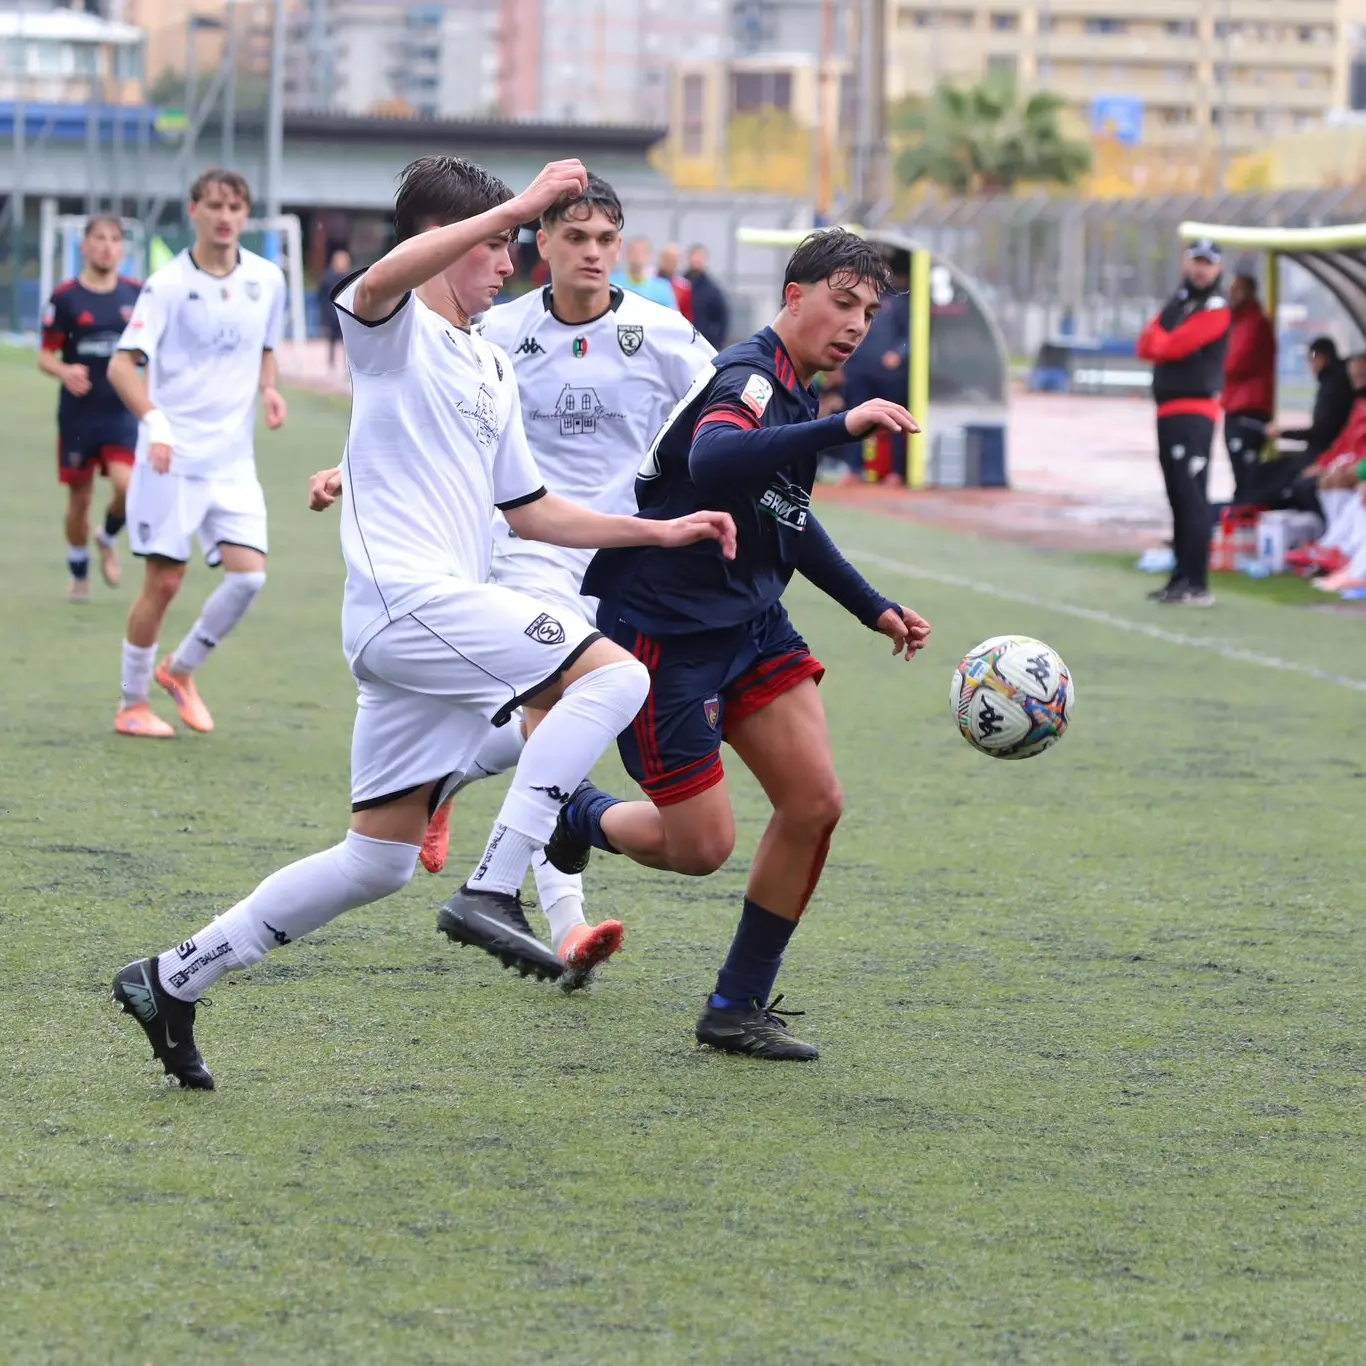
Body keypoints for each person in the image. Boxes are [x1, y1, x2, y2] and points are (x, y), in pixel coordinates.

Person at [109, 155, 736, 1090]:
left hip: (429, 624)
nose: (510, 263)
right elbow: (379, 279)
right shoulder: (391, 325)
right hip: (410, 605)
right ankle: (494, 886)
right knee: (615, 676)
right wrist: (521, 203)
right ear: (446, 244)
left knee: (376, 862)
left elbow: (530, 509)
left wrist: (660, 528)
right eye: (499, 244)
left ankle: (170, 978)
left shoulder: (487, 357)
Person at [547, 229, 932, 1063]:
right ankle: (578, 813)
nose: (857, 323)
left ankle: (736, 1005)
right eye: (842, 300)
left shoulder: (798, 390)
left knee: (816, 802)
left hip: (751, 626)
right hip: (664, 638)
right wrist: (841, 430)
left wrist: (874, 607)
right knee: (701, 850)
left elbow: (787, 519)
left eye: (868, 311)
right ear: (794, 294)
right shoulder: (750, 378)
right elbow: (718, 456)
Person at [106, 168, 289, 739]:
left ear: (245, 214)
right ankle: (132, 703)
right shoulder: (165, 285)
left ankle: (179, 672)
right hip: (171, 459)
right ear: (194, 211)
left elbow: (266, 348)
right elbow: (120, 365)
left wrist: (269, 389)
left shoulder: (268, 279)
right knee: (164, 583)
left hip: (232, 463)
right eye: (213, 205)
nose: (225, 215)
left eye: (235, 206)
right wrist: (156, 424)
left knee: (249, 578)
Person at [39, 215, 142, 602]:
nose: (107, 246)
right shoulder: (66, 297)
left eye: (115, 239)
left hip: (121, 411)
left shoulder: (137, 294)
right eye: (99, 238)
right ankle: (78, 568)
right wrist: (65, 370)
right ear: (84, 246)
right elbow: (44, 357)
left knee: (127, 487)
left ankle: (108, 536)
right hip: (79, 415)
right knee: (79, 501)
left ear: (122, 248)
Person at [1136, 238, 1231, 607]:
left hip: (1195, 414)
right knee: (1177, 496)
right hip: (1168, 412)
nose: (1200, 269)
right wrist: (1163, 339)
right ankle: (1180, 578)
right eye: (1196, 261)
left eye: (1208, 262)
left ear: (1218, 267)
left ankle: (1197, 582)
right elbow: (1146, 345)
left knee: (1192, 497)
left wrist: (1163, 339)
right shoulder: (1179, 302)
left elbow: (1171, 346)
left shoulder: (1216, 307)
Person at [1246, 336, 1357, 512]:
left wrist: (1283, 433)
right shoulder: (1337, 386)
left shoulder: (1335, 388)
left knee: (1278, 480)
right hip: (1328, 453)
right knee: (1271, 471)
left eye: (1311, 357)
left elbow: (1325, 432)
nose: (1309, 364)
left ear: (1322, 358)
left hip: (1326, 452)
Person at [1222, 272, 1276, 504]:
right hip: (1238, 404)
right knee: (1241, 472)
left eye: (1238, 289)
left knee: (1246, 471)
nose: (1232, 295)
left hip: (1248, 407)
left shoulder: (1252, 324)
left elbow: (1235, 363)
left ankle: (1246, 515)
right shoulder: (1239, 321)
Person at [612, 235, 677, 310]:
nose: (638, 255)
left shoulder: (663, 287)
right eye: (634, 251)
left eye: (643, 251)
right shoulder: (612, 283)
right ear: (626, 254)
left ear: (650, 255)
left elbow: (673, 317)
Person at [686, 244, 729, 349]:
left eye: (700, 257)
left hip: (702, 343)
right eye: (695, 256)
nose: (697, 260)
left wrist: (717, 342)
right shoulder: (680, 284)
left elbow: (723, 317)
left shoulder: (712, 289)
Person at [318, 247, 351, 370]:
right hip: (331, 314)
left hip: (346, 314)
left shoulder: (350, 277)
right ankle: (331, 363)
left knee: (346, 341)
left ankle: (346, 364)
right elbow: (322, 297)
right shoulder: (328, 278)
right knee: (331, 339)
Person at [655, 242, 693, 321]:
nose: (670, 262)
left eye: (674, 259)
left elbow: (687, 315)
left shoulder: (684, 286)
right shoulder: (650, 279)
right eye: (668, 258)